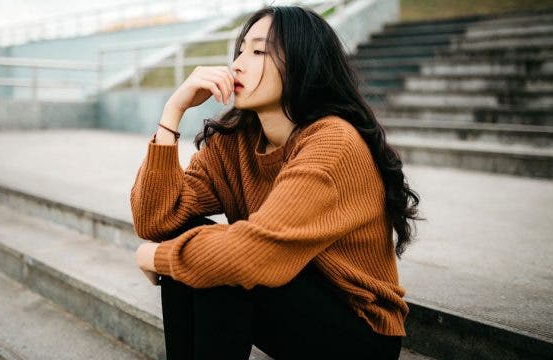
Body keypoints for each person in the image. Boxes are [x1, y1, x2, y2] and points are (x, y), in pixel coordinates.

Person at [130, 5, 422, 360]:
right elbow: (156, 219)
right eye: (239, 50)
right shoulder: (236, 139)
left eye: (258, 52)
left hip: (358, 329)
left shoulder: (333, 142)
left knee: (221, 262)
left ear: (302, 63)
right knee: (196, 244)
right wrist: (171, 113)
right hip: (288, 297)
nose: (237, 64)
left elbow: (254, 253)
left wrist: (157, 257)